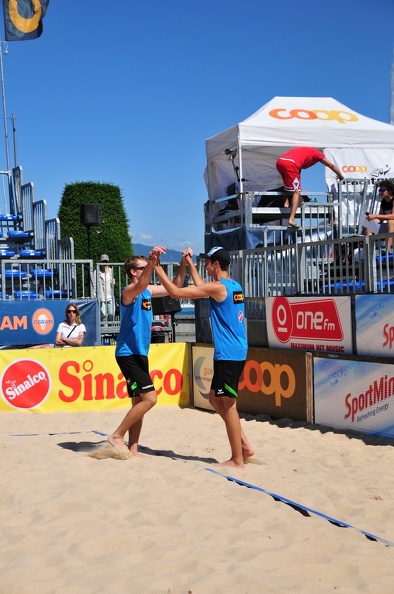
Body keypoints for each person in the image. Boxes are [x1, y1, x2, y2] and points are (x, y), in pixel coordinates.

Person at [150, 245, 254, 469]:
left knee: (228, 405)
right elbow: (202, 287)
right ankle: (244, 446)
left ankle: (237, 460)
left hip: (229, 354)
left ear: (216, 265)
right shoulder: (233, 285)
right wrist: (190, 264)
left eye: (207, 263)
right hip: (232, 351)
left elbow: (176, 293)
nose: (205, 266)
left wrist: (157, 269)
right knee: (216, 400)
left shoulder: (218, 288)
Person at [108, 248, 191, 456]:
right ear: (133, 272)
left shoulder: (147, 290)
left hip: (140, 353)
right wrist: (154, 263)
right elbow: (143, 283)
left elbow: (176, 287)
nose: (148, 270)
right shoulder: (128, 292)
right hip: (127, 353)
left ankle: (133, 448)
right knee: (150, 399)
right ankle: (117, 435)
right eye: (144, 268)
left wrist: (183, 262)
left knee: (139, 402)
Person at [276, 147, 344, 229]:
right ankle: (291, 219)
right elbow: (331, 165)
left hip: (280, 162)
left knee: (289, 186)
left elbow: (298, 170)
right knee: (296, 192)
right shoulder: (318, 154)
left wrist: (298, 186)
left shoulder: (305, 151)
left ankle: (286, 203)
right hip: (290, 164)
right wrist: (341, 176)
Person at [364, 180, 394, 251]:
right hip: (391, 227)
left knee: (390, 222)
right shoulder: (383, 202)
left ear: (389, 191)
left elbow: (393, 216)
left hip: (392, 225)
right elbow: (380, 218)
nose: (380, 192)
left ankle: (387, 250)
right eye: (379, 190)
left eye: (382, 190)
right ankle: (370, 254)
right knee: (369, 227)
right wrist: (371, 219)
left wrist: (375, 216)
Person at [93, 254, 116, 321]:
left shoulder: (111, 270)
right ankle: (104, 331)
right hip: (102, 297)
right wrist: (94, 294)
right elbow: (94, 284)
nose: (104, 263)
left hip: (110, 296)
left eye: (106, 261)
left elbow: (112, 280)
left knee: (112, 314)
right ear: (100, 262)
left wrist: (113, 281)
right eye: (103, 261)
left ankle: (110, 330)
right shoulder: (96, 272)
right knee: (104, 315)